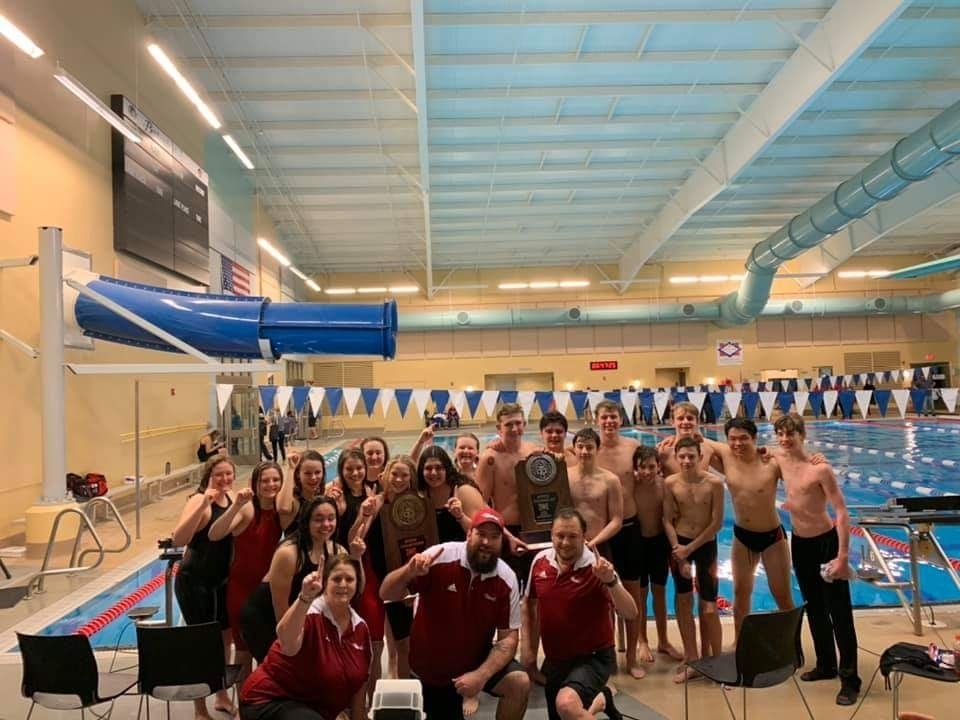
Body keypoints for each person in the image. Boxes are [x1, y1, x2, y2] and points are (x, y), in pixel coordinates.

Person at [379, 508, 531, 720]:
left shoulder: (507, 579)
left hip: (475, 660)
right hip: (432, 671)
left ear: (501, 542)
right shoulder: (439, 556)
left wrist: (481, 675)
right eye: (481, 534)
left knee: (519, 683)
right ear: (469, 534)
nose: (487, 542)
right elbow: (386, 593)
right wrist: (408, 572)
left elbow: (508, 640)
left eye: (494, 537)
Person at [774, 413, 862, 706]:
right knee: (814, 608)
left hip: (826, 543)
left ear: (803, 435)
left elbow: (842, 512)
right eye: (781, 434)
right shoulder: (778, 459)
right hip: (800, 543)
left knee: (840, 613)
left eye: (791, 434)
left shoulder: (820, 469)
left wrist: (842, 556)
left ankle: (850, 679)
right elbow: (745, 451)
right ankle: (826, 665)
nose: (786, 439)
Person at [523, 508, 637, 720]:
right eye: (560, 536)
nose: (565, 543)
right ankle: (601, 700)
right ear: (551, 535)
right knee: (565, 712)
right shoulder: (539, 562)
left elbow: (631, 612)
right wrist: (528, 650)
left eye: (572, 536)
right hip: (555, 658)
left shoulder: (597, 567)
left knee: (566, 705)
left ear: (585, 537)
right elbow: (529, 605)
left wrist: (610, 581)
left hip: (594, 657)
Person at [239, 554, 370, 720]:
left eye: (349, 579)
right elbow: (286, 639)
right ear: (325, 583)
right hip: (269, 699)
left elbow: (359, 683)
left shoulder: (360, 627)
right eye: (336, 579)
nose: (343, 584)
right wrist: (305, 597)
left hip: (311, 707)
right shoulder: (310, 614)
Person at [700, 418, 794, 637]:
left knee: (782, 595)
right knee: (740, 595)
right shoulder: (727, 455)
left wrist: (815, 458)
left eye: (743, 438)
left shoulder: (771, 463)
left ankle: (792, 645)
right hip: (742, 537)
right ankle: (741, 644)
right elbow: (698, 438)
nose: (737, 444)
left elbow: (798, 467)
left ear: (754, 438)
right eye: (732, 439)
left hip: (773, 537)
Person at [240, 497, 355, 664]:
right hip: (264, 617)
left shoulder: (336, 550)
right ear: (306, 521)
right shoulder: (289, 553)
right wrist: (292, 641)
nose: (326, 524)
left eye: (331, 518)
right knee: (280, 667)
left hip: (297, 610)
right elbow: (280, 608)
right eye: (318, 519)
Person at [209, 461, 294, 685]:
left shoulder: (281, 510)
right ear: (255, 484)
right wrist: (235, 506)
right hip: (242, 591)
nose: (270, 484)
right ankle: (243, 707)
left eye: (276, 480)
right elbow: (215, 534)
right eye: (264, 480)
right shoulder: (248, 509)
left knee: (270, 652)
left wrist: (292, 470)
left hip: (267, 593)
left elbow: (294, 509)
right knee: (244, 652)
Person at [171, 455, 239, 718]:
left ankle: (221, 696)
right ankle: (200, 708)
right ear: (209, 476)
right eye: (219, 474)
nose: (224, 479)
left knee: (225, 641)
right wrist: (202, 506)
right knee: (201, 644)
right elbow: (179, 538)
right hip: (194, 582)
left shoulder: (232, 499)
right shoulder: (199, 500)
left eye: (228, 474)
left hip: (220, 582)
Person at [662, 437, 725, 683]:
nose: (687, 461)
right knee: (684, 600)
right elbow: (666, 519)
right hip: (679, 545)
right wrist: (678, 549)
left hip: (705, 546)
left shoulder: (714, 484)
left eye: (691, 456)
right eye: (682, 457)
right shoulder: (670, 483)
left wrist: (689, 550)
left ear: (700, 457)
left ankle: (718, 661)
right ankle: (693, 659)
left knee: (709, 607)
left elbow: (717, 523)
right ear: (676, 458)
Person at [627, 446, 682, 679]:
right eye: (643, 467)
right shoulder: (632, 486)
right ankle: (642, 640)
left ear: (659, 466)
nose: (648, 472)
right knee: (640, 594)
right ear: (635, 469)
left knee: (660, 592)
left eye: (652, 467)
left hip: (659, 543)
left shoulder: (665, 485)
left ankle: (664, 640)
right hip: (638, 542)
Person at [476, 403, 541, 580]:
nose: (514, 429)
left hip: (535, 529)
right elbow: (480, 503)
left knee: (534, 588)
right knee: (505, 587)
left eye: (518, 423)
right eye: (508, 424)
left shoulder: (534, 452)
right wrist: (507, 535)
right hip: (506, 530)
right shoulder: (490, 458)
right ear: (499, 428)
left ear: (524, 424)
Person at [566, 428, 622, 555]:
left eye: (590, 447)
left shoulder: (610, 480)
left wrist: (592, 544)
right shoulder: (564, 477)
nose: (584, 451)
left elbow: (616, 520)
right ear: (574, 448)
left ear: (598, 449)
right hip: (569, 545)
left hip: (599, 544)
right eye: (580, 447)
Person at [417, 445, 486, 543]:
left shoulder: (464, 491)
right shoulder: (421, 493)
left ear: (447, 469)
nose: (433, 472)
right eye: (428, 468)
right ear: (421, 471)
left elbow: (481, 532)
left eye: (439, 467)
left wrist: (460, 516)